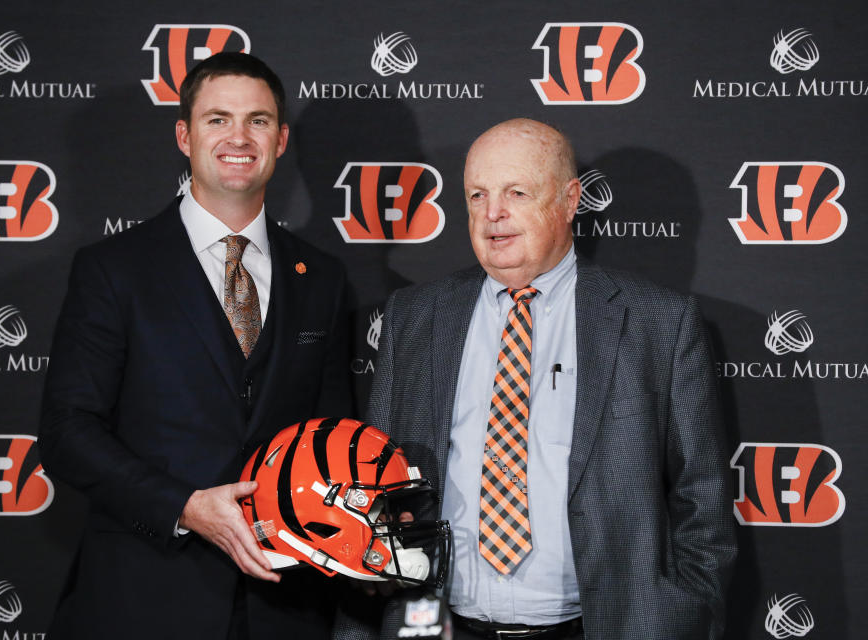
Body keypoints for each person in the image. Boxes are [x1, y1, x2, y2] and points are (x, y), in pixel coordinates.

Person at [335, 119, 736, 640]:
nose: (493, 213)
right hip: (439, 624)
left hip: (598, 627)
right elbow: (374, 479)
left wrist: (678, 618)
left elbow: (702, 500)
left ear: (571, 201)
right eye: (477, 195)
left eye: (516, 193)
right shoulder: (416, 316)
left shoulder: (658, 321)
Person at [39, 52, 352, 639]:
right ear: (184, 135)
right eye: (218, 119)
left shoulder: (324, 278)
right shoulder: (113, 269)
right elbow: (67, 431)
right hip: (145, 597)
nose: (239, 137)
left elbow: (332, 436)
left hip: (285, 603)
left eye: (258, 121)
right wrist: (185, 506)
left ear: (281, 140)